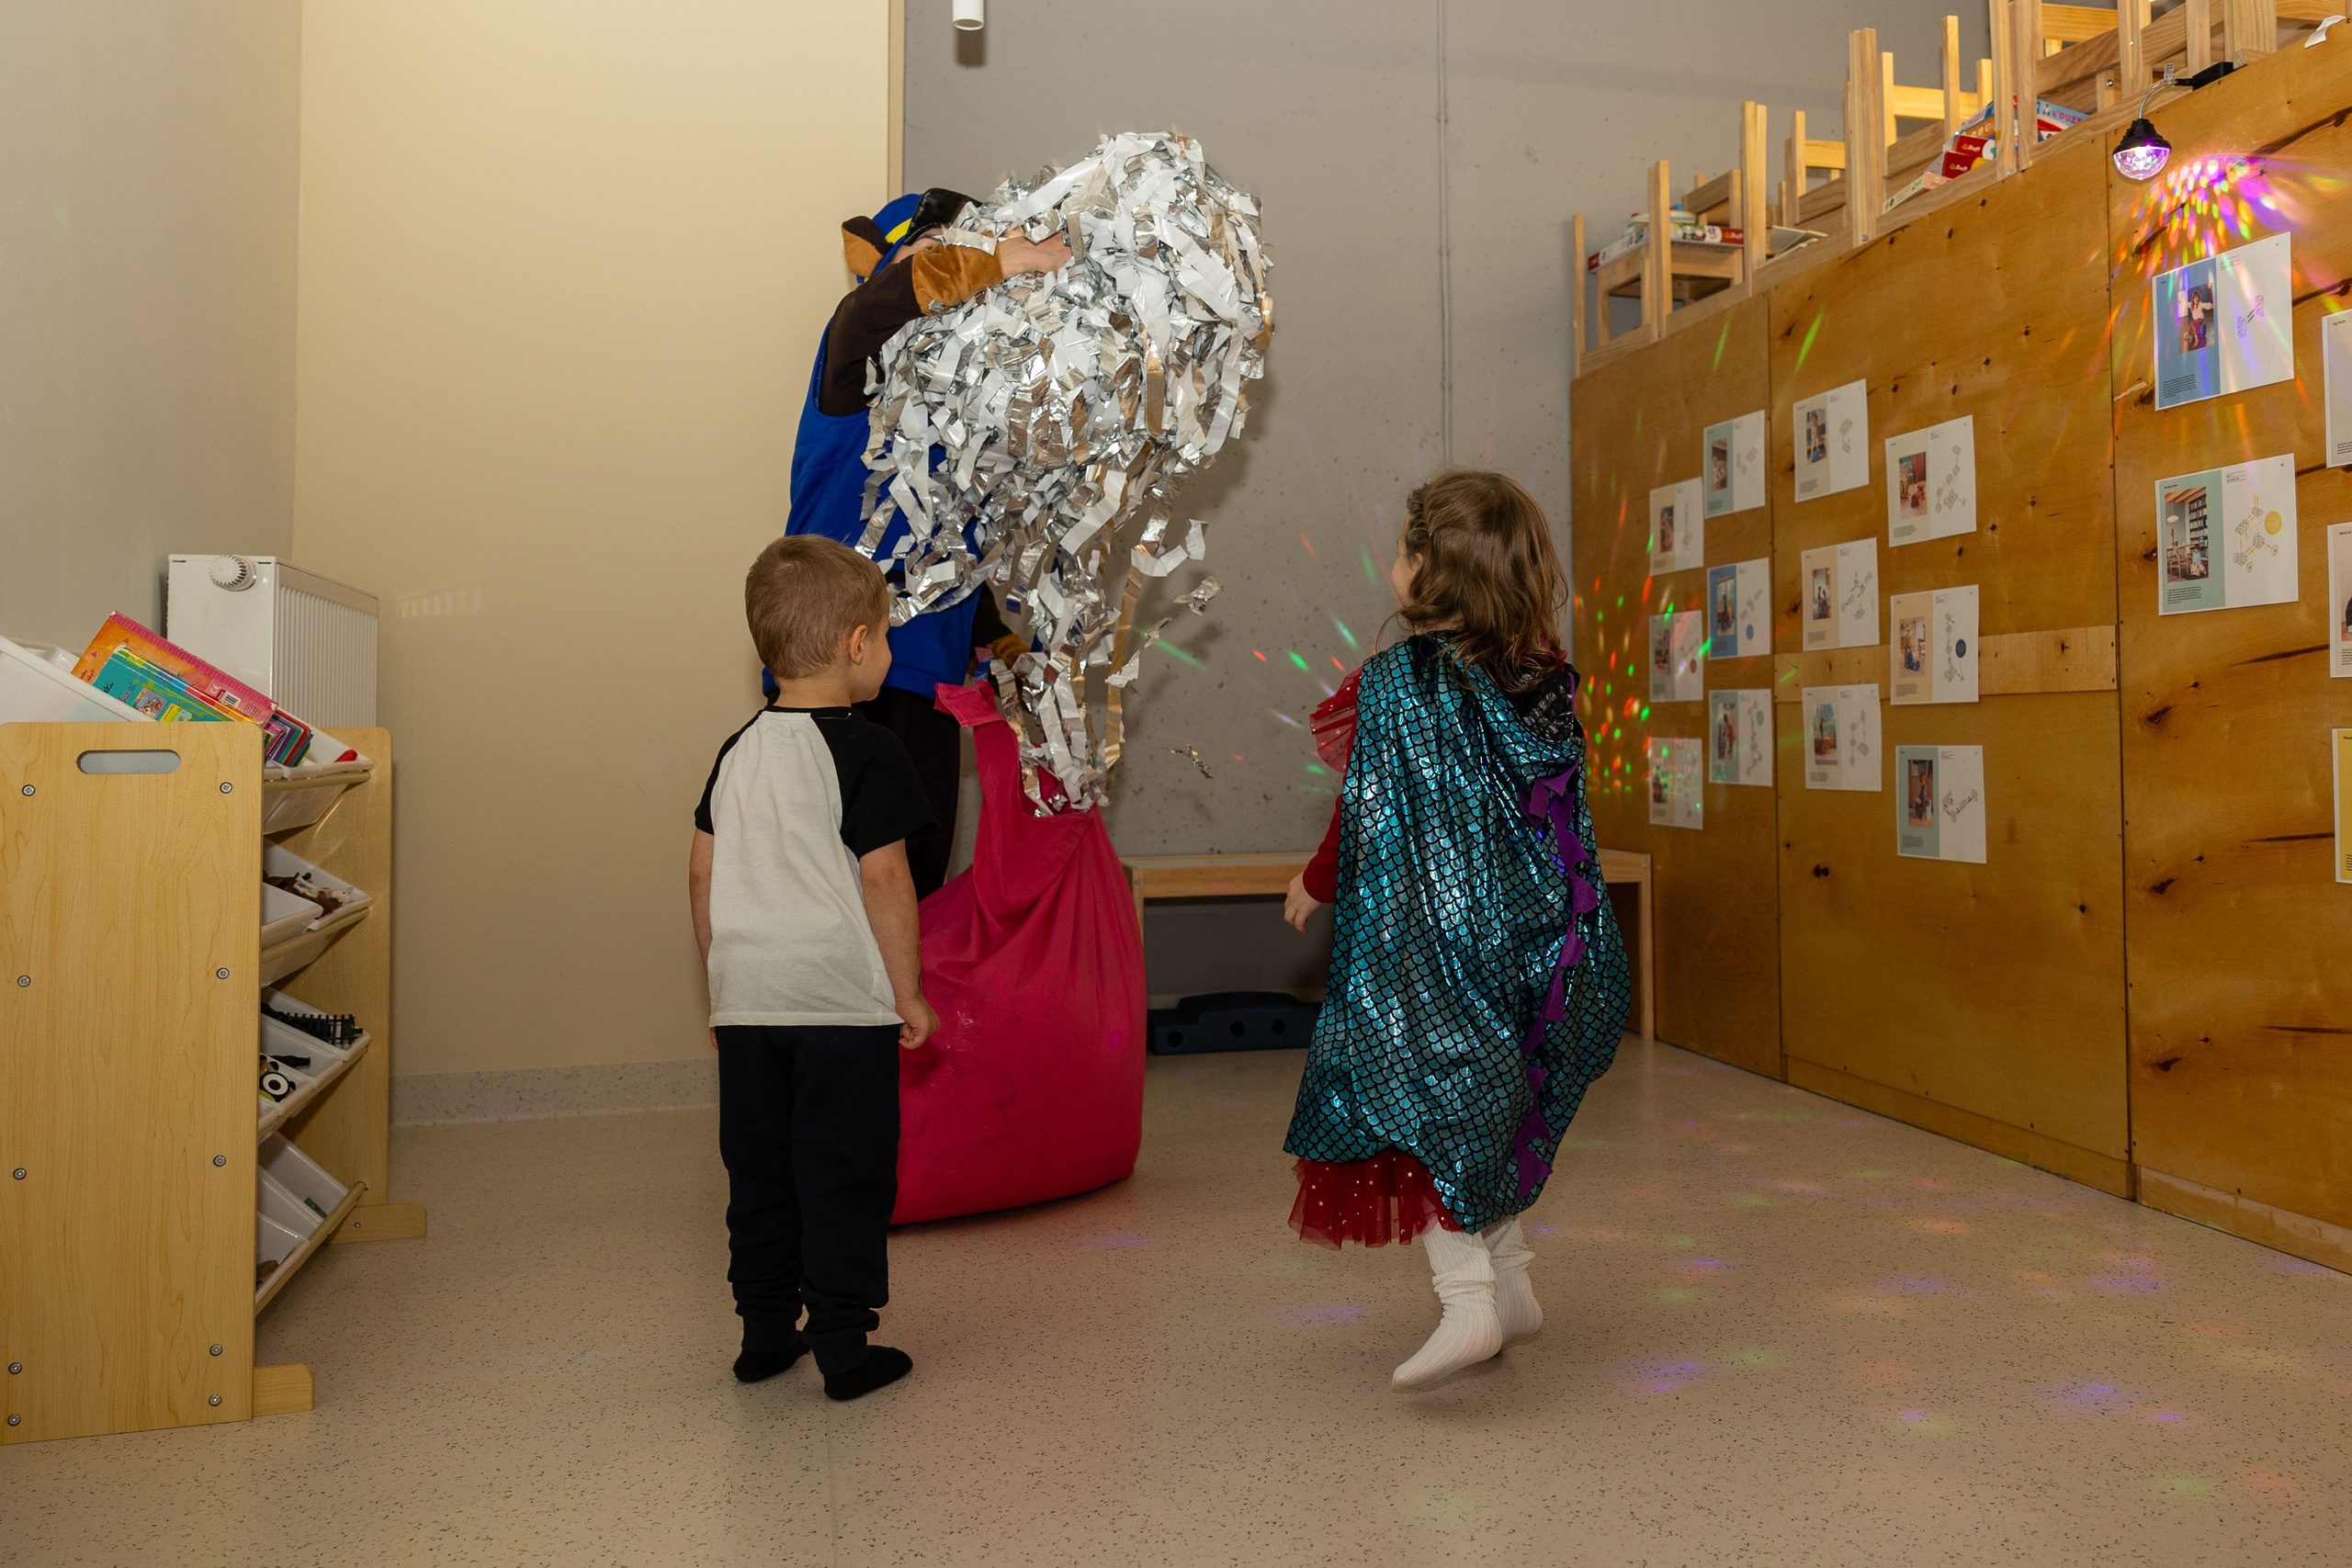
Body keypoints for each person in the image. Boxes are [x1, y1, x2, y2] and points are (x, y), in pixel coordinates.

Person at [1280, 469, 1629, 1390]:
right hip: (1547, 951)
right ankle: (1511, 1286)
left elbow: (1363, 814)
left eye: (1403, 550)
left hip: (1440, 954)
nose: (1393, 565)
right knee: (1497, 1110)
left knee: (1426, 1107)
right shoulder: (1544, 677)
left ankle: (1466, 1300)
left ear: (1431, 573)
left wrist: (1315, 885)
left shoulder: (1397, 685)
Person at [687, 535, 939, 1402]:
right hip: (838, 1004)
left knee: (759, 1171)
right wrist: (905, 989)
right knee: (843, 1171)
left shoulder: (737, 751)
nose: (890, 651)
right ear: (856, 646)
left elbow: (701, 871)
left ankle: (764, 1332)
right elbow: (885, 876)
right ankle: (842, 1345)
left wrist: (722, 981)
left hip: (750, 998)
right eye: (889, 634)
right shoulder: (870, 751)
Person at [786, 187, 1075, 897]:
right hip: (839, 687)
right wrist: (1001, 258)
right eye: (942, 257)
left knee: (915, 893)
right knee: (842, 900)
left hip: (931, 693)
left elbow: (944, 560)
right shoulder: (851, 369)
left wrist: (1001, 648)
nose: (961, 276)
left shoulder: (955, 428)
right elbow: (874, 309)